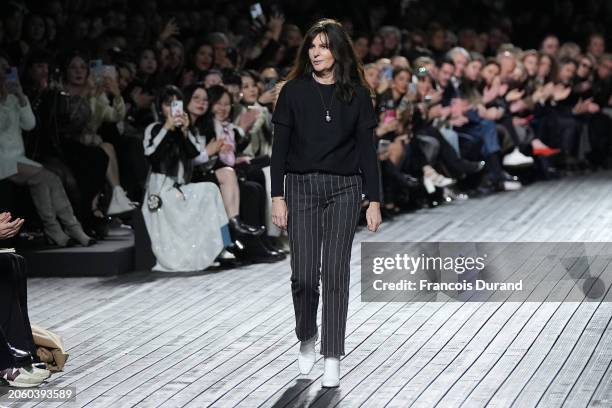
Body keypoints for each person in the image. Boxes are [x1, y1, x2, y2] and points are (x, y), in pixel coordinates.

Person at [270, 18, 381, 388]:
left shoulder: (357, 94)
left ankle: (332, 354)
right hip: (300, 186)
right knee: (303, 276)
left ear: (338, 52)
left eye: (324, 46)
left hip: (345, 189)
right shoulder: (293, 92)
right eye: (312, 46)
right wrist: (277, 196)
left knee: (334, 273)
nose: (317, 52)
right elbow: (278, 150)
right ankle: (306, 335)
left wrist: (375, 198)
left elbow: (368, 149)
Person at [142, 85, 230, 272]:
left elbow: (193, 154)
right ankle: (219, 246)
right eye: (168, 105)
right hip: (160, 192)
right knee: (206, 191)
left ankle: (223, 243)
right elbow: (152, 156)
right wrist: (167, 127)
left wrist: (184, 131)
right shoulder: (154, 128)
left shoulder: (183, 129)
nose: (173, 110)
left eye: (176, 104)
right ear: (160, 107)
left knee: (210, 189)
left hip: (180, 188)